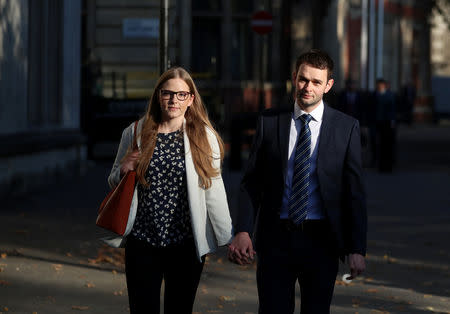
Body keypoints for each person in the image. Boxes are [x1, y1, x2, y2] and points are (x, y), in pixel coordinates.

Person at [228, 49, 367, 314]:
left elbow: (355, 193)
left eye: (316, 82)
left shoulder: (346, 127)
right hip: (276, 237)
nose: (308, 87)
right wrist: (243, 230)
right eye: (303, 79)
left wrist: (357, 247)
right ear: (294, 77)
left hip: (322, 241)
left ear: (328, 85)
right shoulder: (270, 121)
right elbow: (251, 182)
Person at [107, 67, 233, 314]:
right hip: (142, 242)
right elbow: (113, 182)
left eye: (181, 94)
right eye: (167, 93)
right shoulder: (134, 133)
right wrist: (123, 169)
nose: (174, 100)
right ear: (158, 96)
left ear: (191, 99)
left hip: (185, 244)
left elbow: (214, 189)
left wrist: (229, 238)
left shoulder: (203, 137)